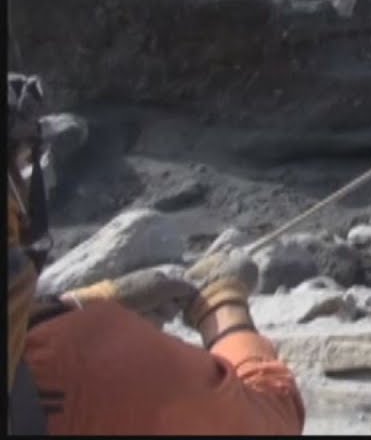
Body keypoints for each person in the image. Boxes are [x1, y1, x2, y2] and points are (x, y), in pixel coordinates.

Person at [7, 73, 305, 435]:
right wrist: (224, 308)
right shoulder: (90, 364)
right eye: (25, 163)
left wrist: (82, 301)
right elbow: (269, 420)